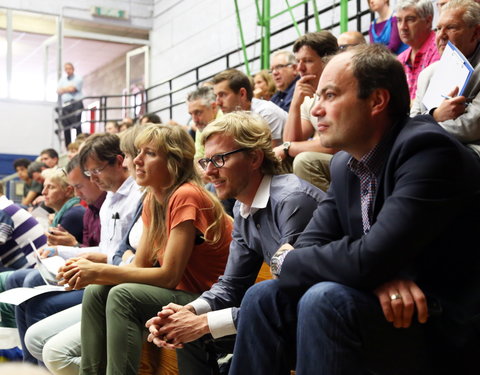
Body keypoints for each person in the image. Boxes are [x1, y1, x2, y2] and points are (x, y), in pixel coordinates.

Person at [227, 44, 480, 375]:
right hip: (386, 307)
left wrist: (368, 270)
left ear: (377, 101)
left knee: (326, 299)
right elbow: (308, 250)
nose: (316, 110)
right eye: (317, 97)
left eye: (329, 95)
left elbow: (366, 259)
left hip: (441, 324)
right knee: (263, 298)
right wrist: (370, 274)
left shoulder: (426, 150)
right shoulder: (345, 164)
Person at [145, 112, 325, 373]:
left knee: (227, 315)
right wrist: (188, 313)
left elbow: (293, 293)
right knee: (188, 329)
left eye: (219, 159)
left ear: (254, 158)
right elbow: (231, 286)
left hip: (312, 317)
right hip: (280, 313)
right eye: (205, 161)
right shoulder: (244, 207)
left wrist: (204, 322)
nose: (208, 172)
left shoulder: (293, 199)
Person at [66, 123, 233, 375]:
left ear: (174, 161)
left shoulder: (186, 194)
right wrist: (95, 274)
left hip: (210, 300)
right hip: (186, 295)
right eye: (138, 153)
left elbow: (168, 276)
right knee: (97, 291)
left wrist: (99, 269)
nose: (137, 161)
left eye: (150, 153)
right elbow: (141, 265)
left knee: (123, 296)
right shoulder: (153, 198)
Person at [8, 133, 142, 364]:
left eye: (96, 171)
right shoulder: (110, 197)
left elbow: (122, 257)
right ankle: (30, 367)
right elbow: (108, 249)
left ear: (120, 162)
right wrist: (64, 252)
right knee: (25, 297)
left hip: (113, 280)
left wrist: (81, 254)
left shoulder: (138, 195)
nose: (94, 179)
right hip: (103, 273)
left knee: (38, 304)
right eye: (90, 174)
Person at [411, 0, 480, 157]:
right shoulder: (427, 74)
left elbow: (471, 126)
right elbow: (412, 119)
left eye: (451, 27)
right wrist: (435, 115)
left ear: (476, 33)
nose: (441, 35)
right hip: (427, 148)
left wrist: (421, 131)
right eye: (438, 28)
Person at [273, 31, 338, 191]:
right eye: (298, 61)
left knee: (304, 161)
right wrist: (295, 103)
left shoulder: (339, 90)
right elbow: (291, 139)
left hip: (352, 158)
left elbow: (335, 143)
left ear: (327, 61)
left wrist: (287, 148)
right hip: (334, 159)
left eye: (308, 61)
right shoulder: (308, 96)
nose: (300, 68)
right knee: (276, 161)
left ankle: (332, 214)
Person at [0, 183, 47, 328]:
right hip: (31, 270)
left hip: (35, 272)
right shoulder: (8, 208)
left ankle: (12, 337)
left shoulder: (4, 211)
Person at [213, 69, 287, 147]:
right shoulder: (233, 118)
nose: (218, 102)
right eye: (216, 96)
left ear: (242, 94)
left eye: (223, 95)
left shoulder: (266, 113)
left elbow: (272, 156)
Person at [397, 0, 440, 99]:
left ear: (428, 21)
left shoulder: (439, 49)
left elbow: (429, 100)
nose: (403, 27)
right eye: (399, 20)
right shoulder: (400, 59)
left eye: (410, 19)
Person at [41, 168, 85, 244]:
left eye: (51, 187)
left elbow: (52, 249)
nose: (43, 192)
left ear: (68, 191)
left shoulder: (73, 215)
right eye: (44, 187)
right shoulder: (67, 212)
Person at [57, 63, 84, 146]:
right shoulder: (62, 80)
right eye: (66, 69)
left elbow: (73, 89)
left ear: (73, 69)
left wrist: (64, 89)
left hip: (76, 103)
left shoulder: (78, 78)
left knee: (77, 125)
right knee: (66, 127)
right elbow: (58, 91)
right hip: (65, 105)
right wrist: (68, 89)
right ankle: (68, 146)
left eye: (69, 68)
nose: (68, 70)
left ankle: (79, 144)